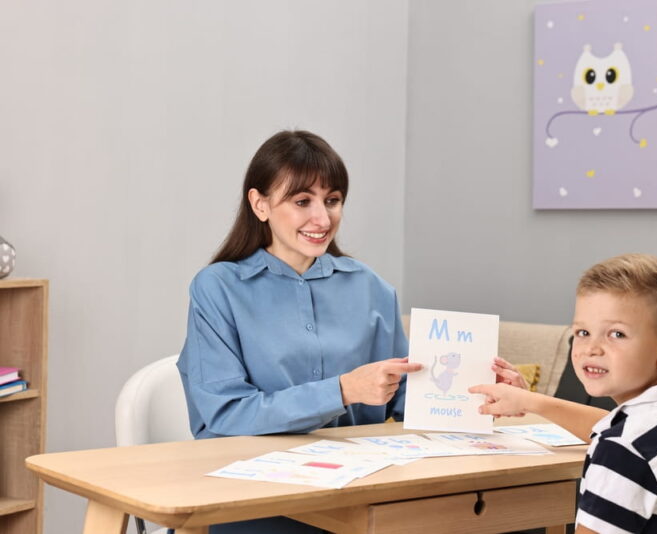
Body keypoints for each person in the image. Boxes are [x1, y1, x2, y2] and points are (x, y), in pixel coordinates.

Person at [177, 130, 526, 534]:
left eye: (333, 200)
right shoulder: (217, 288)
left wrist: (485, 393)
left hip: (360, 493)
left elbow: (412, 398)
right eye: (302, 201)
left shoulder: (371, 288)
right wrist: (342, 390)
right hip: (251, 496)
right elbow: (223, 413)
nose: (323, 219)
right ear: (260, 204)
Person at [470, 254, 657, 533]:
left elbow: (615, 438)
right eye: (582, 332)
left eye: (616, 334)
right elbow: (606, 425)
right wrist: (528, 400)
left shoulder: (623, 451)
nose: (591, 348)